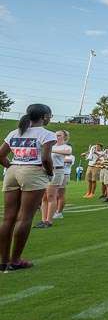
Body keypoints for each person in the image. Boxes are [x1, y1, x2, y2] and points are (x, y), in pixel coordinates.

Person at [0, 104, 56, 271]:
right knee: (25, 217)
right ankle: (15, 260)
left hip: (12, 171)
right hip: (33, 171)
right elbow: (46, 158)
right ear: (44, 117)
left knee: (8, 218)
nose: (50, 118)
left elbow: (1, 154)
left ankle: (3, 261)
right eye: (50, 115)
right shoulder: (46, 134)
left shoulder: (14, 132)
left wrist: (10, 165)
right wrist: (50, 172)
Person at [37, 130, 71, 228]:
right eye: (56, 135)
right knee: (44, 197)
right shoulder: (52, 146)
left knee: (51, 196)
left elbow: (68, 152)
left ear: (64, 137)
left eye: (59, 135)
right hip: (46, 171)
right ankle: (43, 220)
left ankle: (49, 221)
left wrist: (50, 149)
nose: (57, 137)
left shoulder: (65, 146)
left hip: (57, 171)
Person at [56, 152, 74, 219]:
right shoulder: (59, 155)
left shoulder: (71, 156)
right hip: (58, 174)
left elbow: (69, 161)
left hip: (65, 175)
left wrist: (57, 160)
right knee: (56, 194)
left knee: (60, 194)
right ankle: (56, 210)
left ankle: (59, 212)